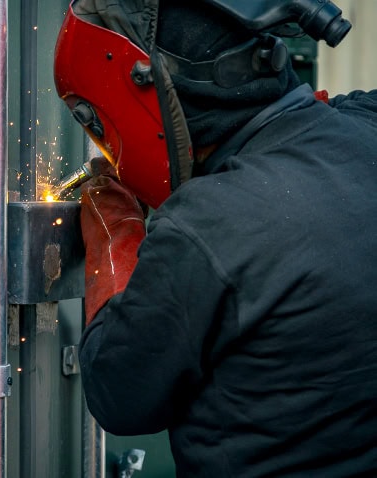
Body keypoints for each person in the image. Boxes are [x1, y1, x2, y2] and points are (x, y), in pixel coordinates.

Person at [54, 0, 377, 476]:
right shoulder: (367, 127)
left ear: (148, 87)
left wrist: (114, 232)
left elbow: (118, 393)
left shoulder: (203, 228)